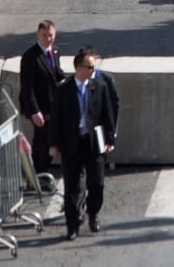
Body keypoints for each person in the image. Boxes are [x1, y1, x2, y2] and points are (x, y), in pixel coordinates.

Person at [49, 46, 118, 240]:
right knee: (72, 187)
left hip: (93, 142)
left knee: (96, 183)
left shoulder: (99, 87)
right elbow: (56, 119)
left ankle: (93, 213)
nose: (93, 70)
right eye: (90, 67)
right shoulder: (63, 90)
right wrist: (53, 144)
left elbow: (107, 114)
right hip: (72, 143)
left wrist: (110, 139)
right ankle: (72, 225)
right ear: (79, 68)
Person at [19, 20, 65, 175]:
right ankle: (38, 173)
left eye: (51, 35)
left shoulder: (55, 51)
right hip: (39, 107)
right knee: (43, 141)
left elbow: (56, 73)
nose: (48, 39)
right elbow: (27, 87)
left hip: (52, 104)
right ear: (38, 35)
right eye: (44, 35)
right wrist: (34, 111)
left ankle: (40, 173)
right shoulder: (30, 57)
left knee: (47, 140)